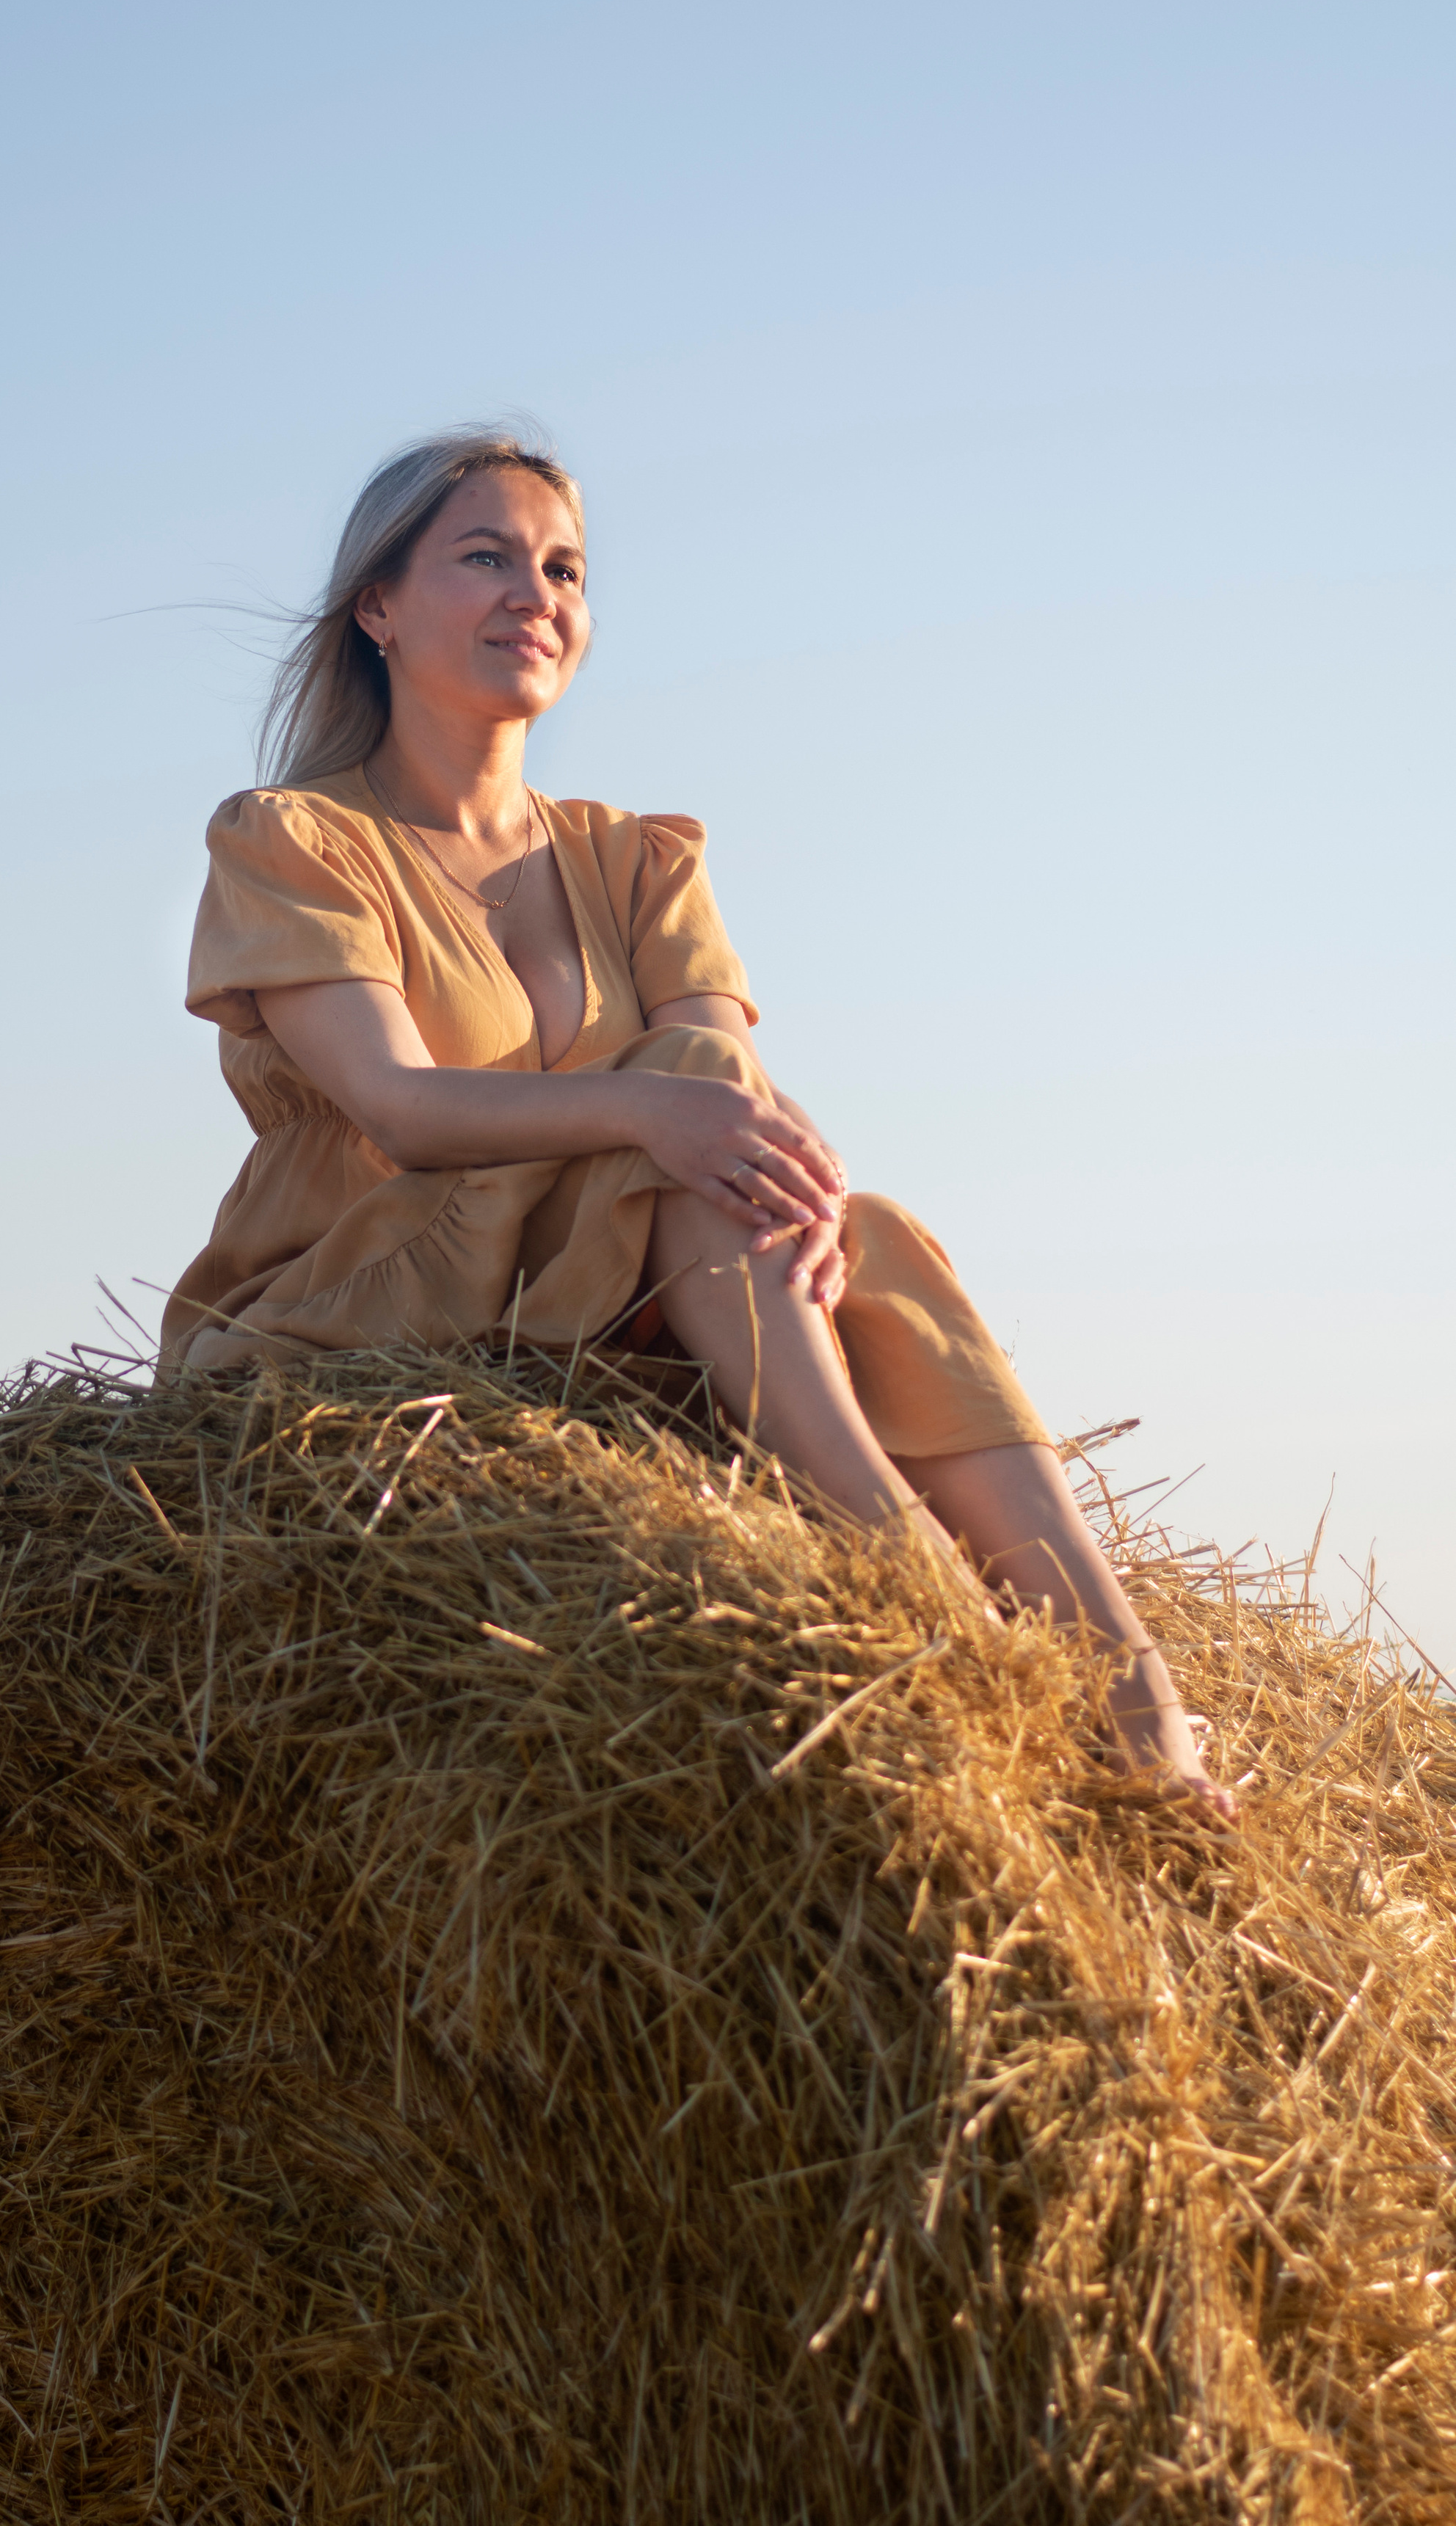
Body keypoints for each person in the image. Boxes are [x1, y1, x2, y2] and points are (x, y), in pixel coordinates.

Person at [161, 427, 1234, 1820]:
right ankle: (922, 1594)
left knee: (870, 1227)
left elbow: (720, 1086)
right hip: (376, 1297)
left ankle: (1127, 1678)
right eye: (483, 557)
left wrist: (790, 1182)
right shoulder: (294, 840)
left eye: (563, 569)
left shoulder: (637, 855)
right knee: (685, 1106)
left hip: (611, 1297)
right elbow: (399, 1108)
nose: (533, 594)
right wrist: (661, 1110)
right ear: (377, 604)